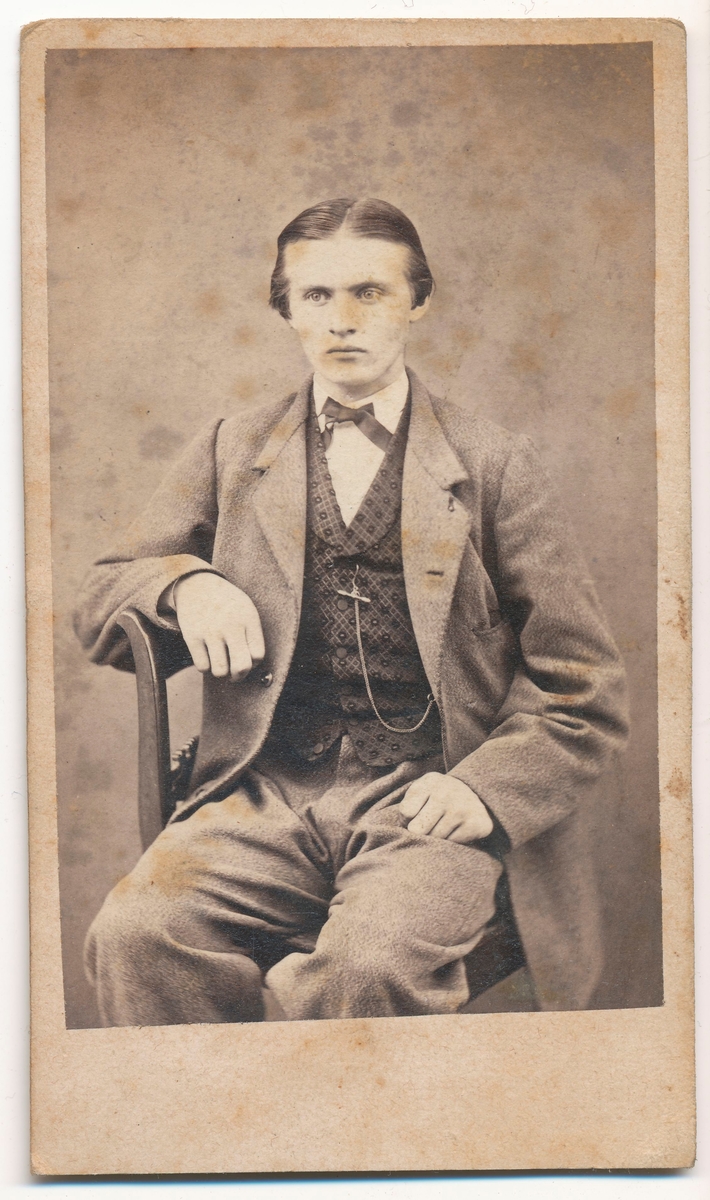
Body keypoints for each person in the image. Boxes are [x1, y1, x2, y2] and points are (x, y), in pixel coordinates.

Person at [74, 197, 628, 1026]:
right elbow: (101, 599)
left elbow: (583, 685)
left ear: (417, 301)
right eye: (317, 295)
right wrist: (185, 584)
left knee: (365, 968)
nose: (343, 320)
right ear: (287, 309)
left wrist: (485, 790)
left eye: (370, 292)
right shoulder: (234, 446)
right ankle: (205, 1117)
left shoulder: (495, 464)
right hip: (263, 794)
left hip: (429, 800)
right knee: (137, 934)